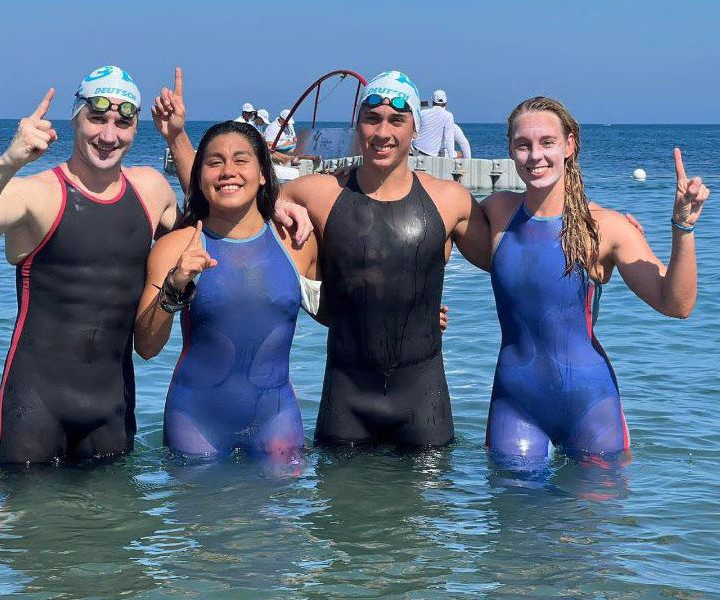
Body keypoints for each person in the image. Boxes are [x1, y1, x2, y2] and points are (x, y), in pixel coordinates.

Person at [0, 67, 310, 466]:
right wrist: (9, 161)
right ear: (75, 119)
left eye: (123, 122)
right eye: (96, 119)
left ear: (136, 129)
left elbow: (210, 216)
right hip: (34, 406)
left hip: (113, 408)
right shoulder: (37, 194)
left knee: (116, 525)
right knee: (27, 524)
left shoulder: (151, 190)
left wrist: (268, 199)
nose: (108, 134)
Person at [482, 96, 709, 464]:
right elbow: (432, 238)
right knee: (513, 519)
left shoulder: (605, 227)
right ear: (510, 150)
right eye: (523, 144)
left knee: (592, 521)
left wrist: (682, 226)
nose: (535, 156)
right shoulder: (496, 213)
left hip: (590, 406)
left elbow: (677, 304)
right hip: (515, 405)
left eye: (547, 142)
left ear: (570, 145)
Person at [276, 71, 489, 449]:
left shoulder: (449, 200)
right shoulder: (320, 193)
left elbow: (510, 256)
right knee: (338, 508)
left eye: (397, 120)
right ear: (358, 126)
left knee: (429, 508)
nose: (382, 132)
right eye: (372, 119)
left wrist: (581, 214)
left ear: (415, 130)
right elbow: (246, 200)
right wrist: (280, 206)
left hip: (423, 399)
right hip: (345, 397)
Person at [134, 120, 319, 463]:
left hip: (277, 420)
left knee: (283, 513)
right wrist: (175, 285)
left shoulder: (295, 242)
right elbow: (145, 346)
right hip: (195, 421)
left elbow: (340, 314)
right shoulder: (176, 246)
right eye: (214, 162)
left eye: (240, 160)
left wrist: (415, 315)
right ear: (200, 176)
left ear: (264, 173)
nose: (227, 171)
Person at [412, 89, 471, 159]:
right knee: (459, 154)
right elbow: (452, 140)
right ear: (446, 103)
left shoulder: (422, 113)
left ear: (432, 102)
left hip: (414, 152)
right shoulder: (448, 116)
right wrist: (452, 156)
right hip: (430, 156)